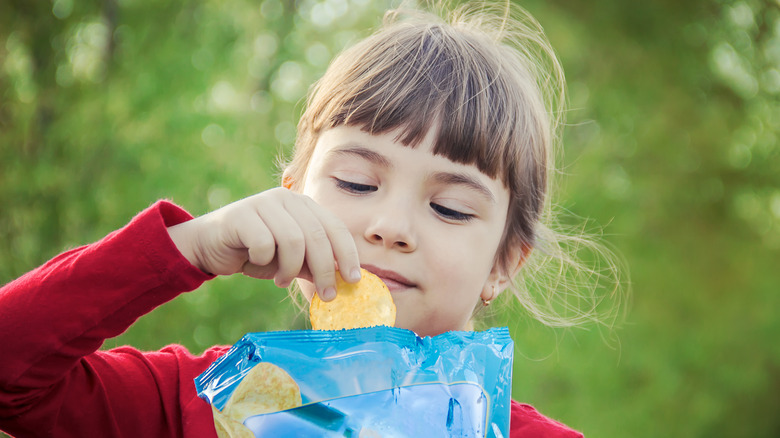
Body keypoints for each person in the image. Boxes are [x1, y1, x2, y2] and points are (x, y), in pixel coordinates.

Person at [0, 1, 622, 437]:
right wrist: (189, 246)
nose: (390, 224)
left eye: (450, 207)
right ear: (292, 195)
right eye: (355, 180)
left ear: (504, 265)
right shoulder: (195, 405)